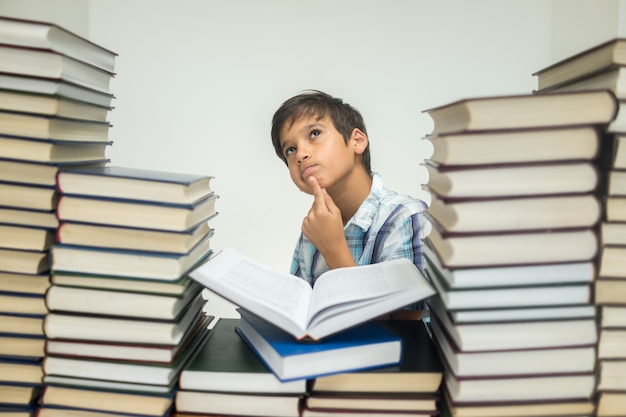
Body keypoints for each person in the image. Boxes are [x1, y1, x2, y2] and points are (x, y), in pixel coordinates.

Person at [270, 90, 431, 315]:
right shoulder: (313, 229)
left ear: (357, 141)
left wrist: (333, 248)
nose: (301, 154)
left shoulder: (406, 216)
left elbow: (406, 325)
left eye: (314, 133)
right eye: (290, 149)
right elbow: (301, 314)